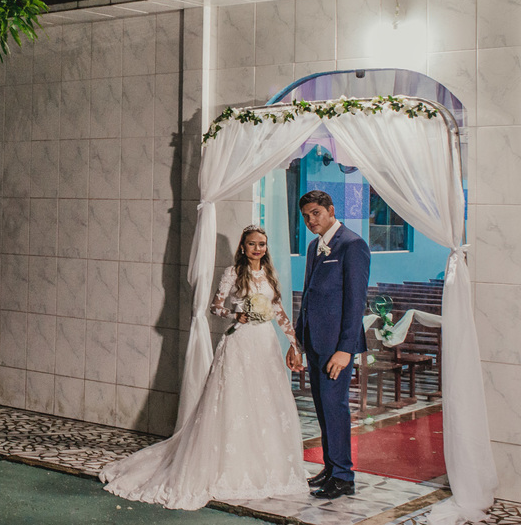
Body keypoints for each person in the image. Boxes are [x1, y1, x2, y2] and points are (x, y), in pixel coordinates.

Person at [99, 225, 308, 509]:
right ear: (243, 247)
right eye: (251, 244)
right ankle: (227, 468)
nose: (257, 248)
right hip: (240, 343)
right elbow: (215, 307)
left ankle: (265, 468)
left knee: (265, 404)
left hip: (265, 345)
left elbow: (280, 311)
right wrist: (238, 313)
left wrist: (294, 344)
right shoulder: (233, 273)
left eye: (261, 244)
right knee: (234, 403)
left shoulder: (270, 274)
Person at [290, 190, 371, 500]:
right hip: (315, 340)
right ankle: (330, 466)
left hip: (337, 345)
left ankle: (343, 476)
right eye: (306, 216)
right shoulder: (314, 247)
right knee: (323, 409)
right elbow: (308, 297)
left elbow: (355, 302)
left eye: (316, 213)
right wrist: (298, 340)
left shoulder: (352, 245)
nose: (311, 220)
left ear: (330, 210)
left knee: (335, 408)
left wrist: (345, 348)